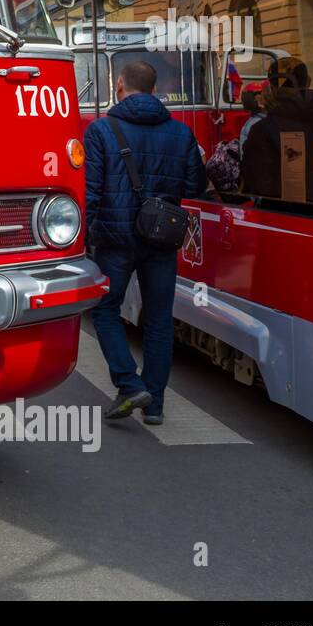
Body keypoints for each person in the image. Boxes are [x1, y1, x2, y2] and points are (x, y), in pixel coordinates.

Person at [84, 60, 208, 425]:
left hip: (115, 239)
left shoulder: (101, 130)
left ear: (119, 84)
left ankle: (128, 382)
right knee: (158, 320)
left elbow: (90, 191)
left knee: (105, 310)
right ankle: (154, 403)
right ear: (156, 91)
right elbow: (194, 186)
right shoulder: (182, 134)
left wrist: (86, 234)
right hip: (161, 239)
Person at [240, 56, 313, 207]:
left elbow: (256, 184)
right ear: (308, 82)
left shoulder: (263, 131)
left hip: (287, 219)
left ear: (272, 89)